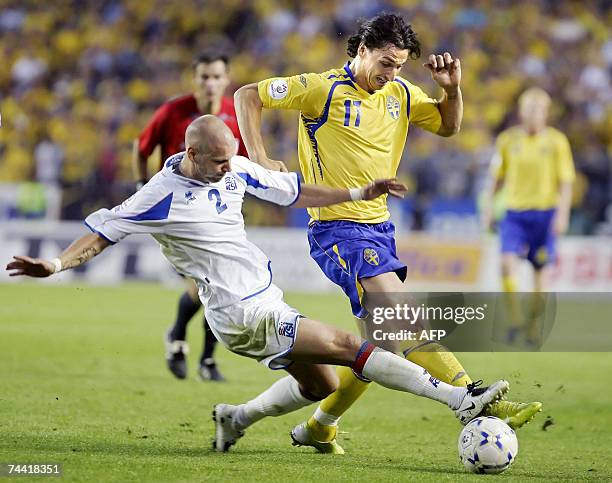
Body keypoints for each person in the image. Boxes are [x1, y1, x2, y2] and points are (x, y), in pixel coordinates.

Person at [6, 115, 510, 454]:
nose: (230, 169)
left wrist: (359, 190)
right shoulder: (158, 195)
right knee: (349, 344)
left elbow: (292, 191)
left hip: (264, 299)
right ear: (193, 154)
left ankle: (236, 418)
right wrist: (53, 265)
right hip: (239, 313)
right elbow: (101, 233)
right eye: (220, 162)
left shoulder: (232, 169)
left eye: (233, 159)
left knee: (321, 385)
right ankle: (458, 400)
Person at [234, 12, 542, 453]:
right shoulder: (323, 89)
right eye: (385, 63)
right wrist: (260, 157)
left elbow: (449, 126)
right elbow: (247, 95)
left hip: (380, 229)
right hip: (338, 229)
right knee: (401, 315)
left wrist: (452, 90)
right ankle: (471, 396)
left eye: (398, 65)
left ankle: (320, 426)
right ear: (362, 51)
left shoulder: (400, 92)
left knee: (381, 349)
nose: (390, 73)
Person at [132, 51, 247, 381]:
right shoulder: (173, 112)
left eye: (216, 77)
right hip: (179, 215)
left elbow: (242, 164)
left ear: (226, 79)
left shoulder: (234, 116)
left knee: (217, 284)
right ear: (194, 79)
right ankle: (188, 344)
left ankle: (199, 354)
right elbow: (141, 148)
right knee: (205, 285)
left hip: (219, 210)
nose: (210, 83)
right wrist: (143, 187)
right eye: (204, 77)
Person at [481, 87, 575, 344]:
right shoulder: (508, 141)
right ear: (522, 112)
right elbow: (494, 180)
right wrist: (488, 209)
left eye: (539, 110)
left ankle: (533, 327)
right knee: (505, 265)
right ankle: (514, 321)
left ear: (546, 113)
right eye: (530, 109)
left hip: (545, 216)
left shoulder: (557, 142)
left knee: (541, 277)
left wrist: (562, 214)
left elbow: (566, 182)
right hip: (514, 215)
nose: (534, 115)